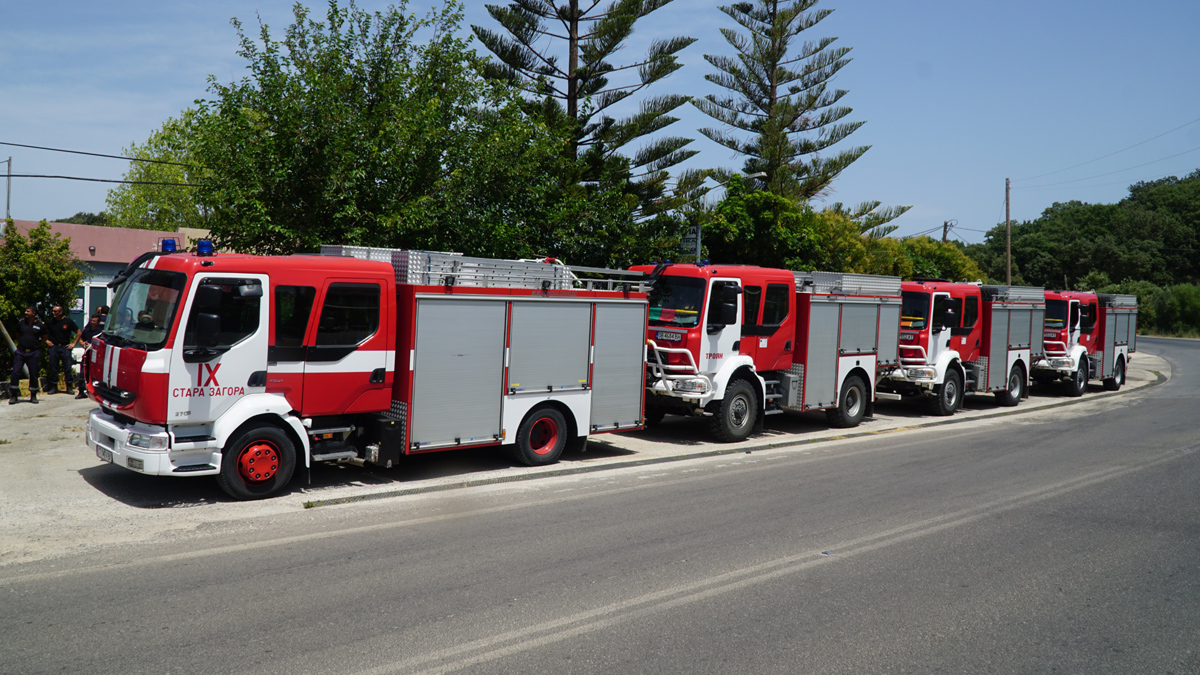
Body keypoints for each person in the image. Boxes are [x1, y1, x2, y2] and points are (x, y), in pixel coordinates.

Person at [10, 306, 45, 405]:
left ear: (33, 313)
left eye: (28, 311)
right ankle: (14, 395)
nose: (26, 313)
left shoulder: (40, 325)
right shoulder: (21, 323)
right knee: (16, 372)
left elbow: (45, 337)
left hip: (33, 352)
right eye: (25, 311)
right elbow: (18, 335)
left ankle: (33, 395)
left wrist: (37, 345)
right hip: (21, 352)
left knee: (33, 373)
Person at [45, 305, 80, 395]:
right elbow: (43, 332)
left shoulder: (68, 322)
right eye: (53, 311)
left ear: (61, 312)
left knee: (67, 367)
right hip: (54, 347)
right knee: (53, 367)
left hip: (65, 347)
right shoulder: (50, 322)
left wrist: (73, 344)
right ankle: (53, 386)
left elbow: (78, 332)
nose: (53, 313)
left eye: (55, 311)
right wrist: (46, 341)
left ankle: (69, 386)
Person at [74, 313, 103, 399]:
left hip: (96, 357)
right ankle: (81, 391)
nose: (92, 322)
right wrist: (83, 344)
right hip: (86, 355)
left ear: (98, 322)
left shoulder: (100, 333)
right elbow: (81, 340)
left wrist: (91, 346)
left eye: (94, 321)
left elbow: (102, 344)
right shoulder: (86, 330)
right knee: (82, 373)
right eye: (91, 320)